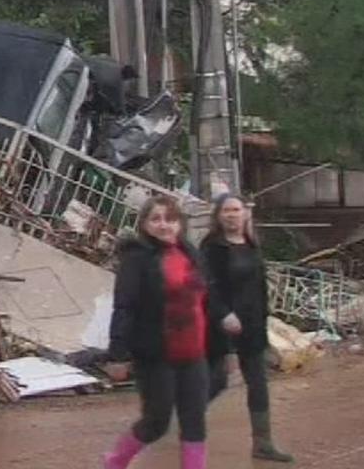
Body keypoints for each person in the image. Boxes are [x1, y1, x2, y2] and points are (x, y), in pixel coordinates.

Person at [101, 195, 214, 469]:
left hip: (194, 353)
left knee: (194, 419)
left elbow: (207, 302)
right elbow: (124, 306)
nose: (164, 225)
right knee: (157, 421)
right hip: (156, 354)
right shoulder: (136, 258)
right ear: (144, 224)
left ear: (180, 224)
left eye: (170, 219)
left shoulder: (190, 254)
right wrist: (117, 354)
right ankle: (114, 463)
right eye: (156, 219)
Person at [203, 194, 294, 463]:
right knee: (217, 381)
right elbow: (207, 288)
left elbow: (259, 287)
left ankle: (263, 443)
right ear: (219, 216)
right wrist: (224, 315)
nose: (232, 215)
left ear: (245, 214)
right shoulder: (212, 248)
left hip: (252, 327)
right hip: (223, 327)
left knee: (258, 383)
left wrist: (265, 322)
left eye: (236, 209)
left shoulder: (251, 245)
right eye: (226, 210)